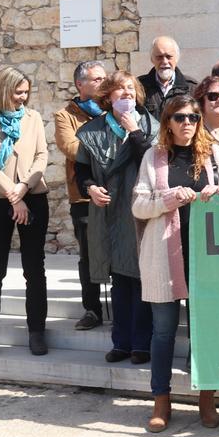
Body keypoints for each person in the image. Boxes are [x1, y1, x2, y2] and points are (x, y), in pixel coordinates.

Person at [133, 95, 219, 433]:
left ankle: (206, 397)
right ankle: (161, 400)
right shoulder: (153, 156)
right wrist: (169, 198)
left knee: (205, 330)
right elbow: (138, 204)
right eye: (179, 118)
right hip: (165, 256)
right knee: (164, 331)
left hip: (205, 256)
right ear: (167, 121)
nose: (187, 124)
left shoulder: (213, 153)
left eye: (193, 118)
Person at [75, 71, 159, 365]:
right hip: (109, 212)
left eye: (130, 89)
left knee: (142, 279)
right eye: (119, 89)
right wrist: (90, 188)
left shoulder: (151, 126)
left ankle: (142, 344)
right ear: (107, 96)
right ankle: (121, 342)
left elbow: (154, 163)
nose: (126, 94)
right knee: (120, 281)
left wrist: (133, 130)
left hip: (140, 211)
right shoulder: (93, 131)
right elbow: (81, 171)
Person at [0, 67, 49, 358]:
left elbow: (42, 156)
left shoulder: (34, 119)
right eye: (18, 92)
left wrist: (24, 188)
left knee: (34, 267)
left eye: (26, 92)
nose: (23, 97)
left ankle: (36, 331)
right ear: (4, 90)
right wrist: (13, 196)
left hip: (34, 196)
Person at [55, 60, 107, 331]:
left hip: (116, 192)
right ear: (80, 84)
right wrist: (107, 147)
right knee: (89, 255)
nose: (102, 83)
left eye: (103, 78)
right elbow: (72, 148)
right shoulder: (65, 115)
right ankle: (92, 309)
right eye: (96, 79)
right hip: (84, 195)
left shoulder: (113, 109)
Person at [139, 36, 198, 119]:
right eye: (159, 57)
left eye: (169, 56)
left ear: (177, 58)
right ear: (152, 59)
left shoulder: (192, 88)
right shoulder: (139, 86)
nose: (165, 62)